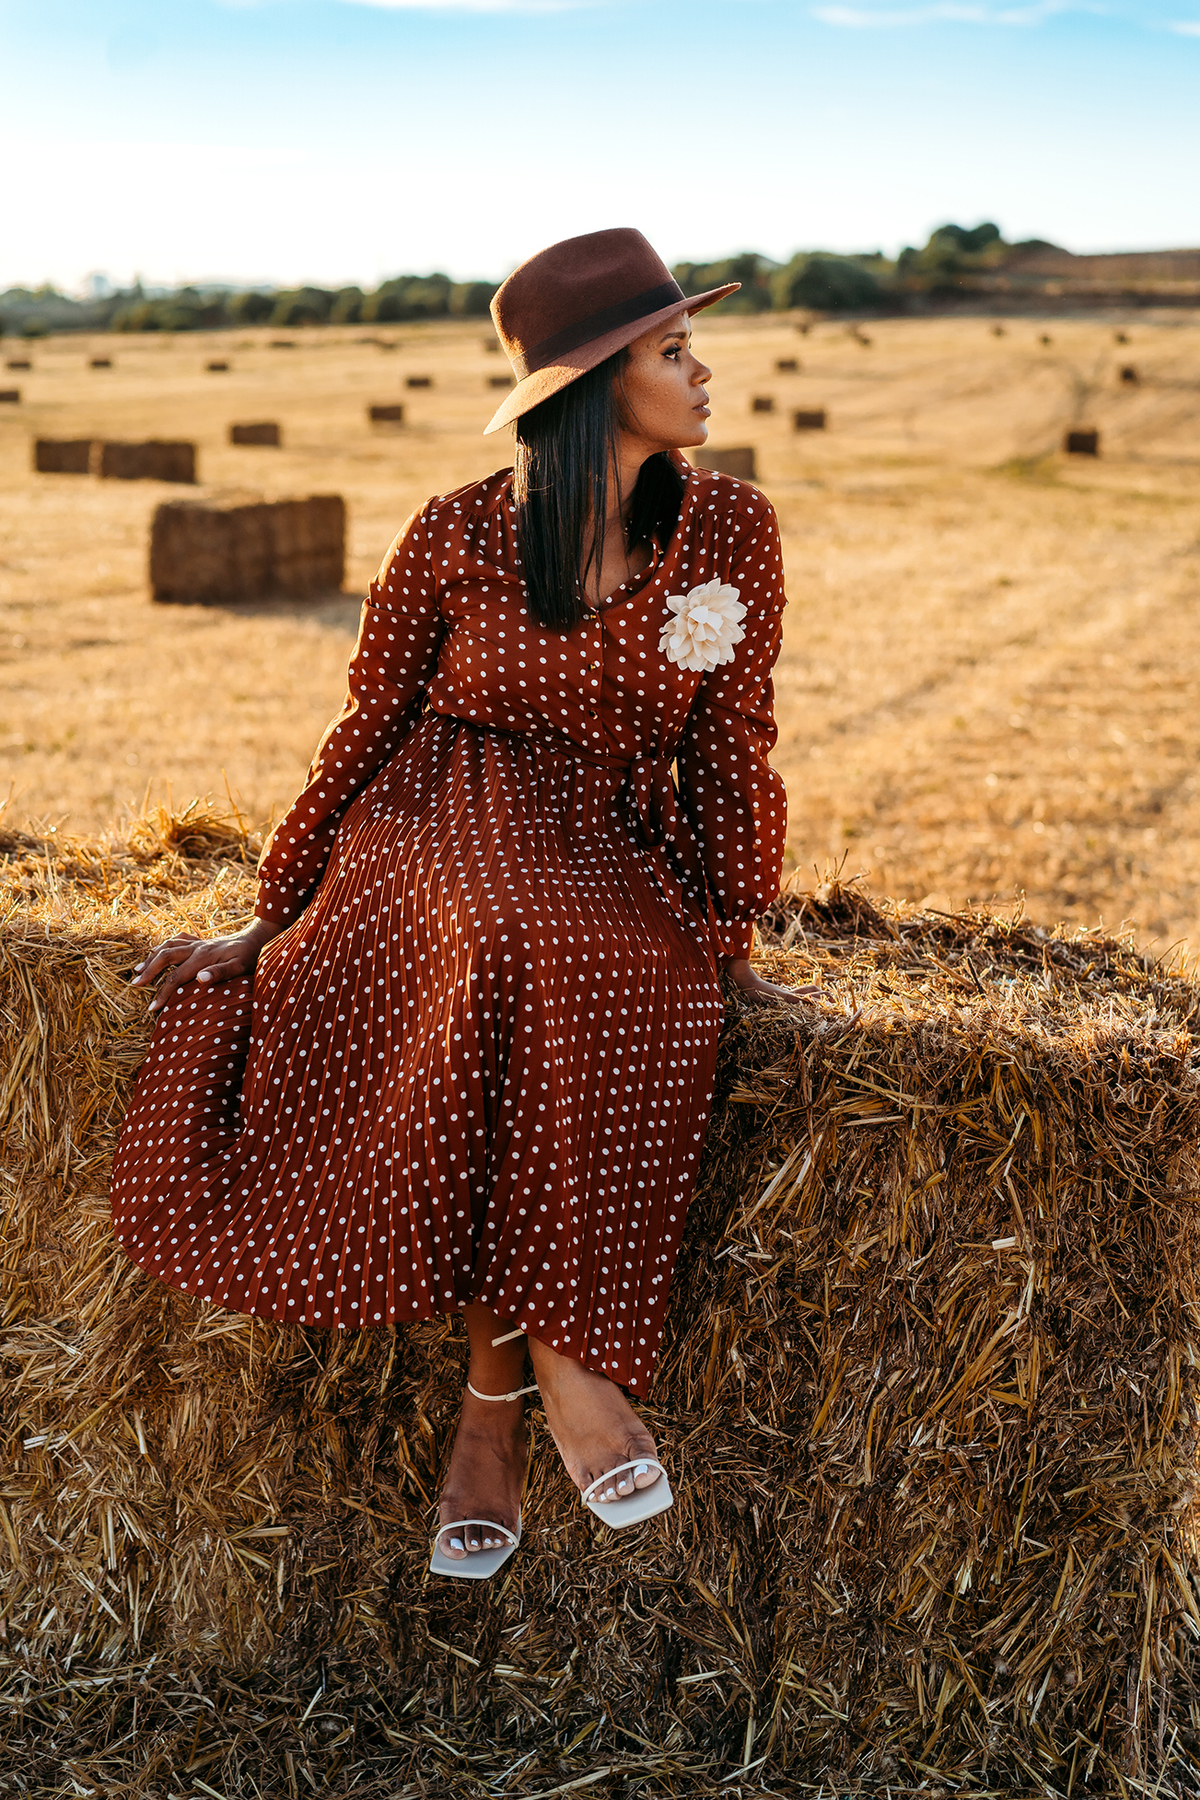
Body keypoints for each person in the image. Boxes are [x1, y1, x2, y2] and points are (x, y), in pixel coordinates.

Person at [111, 228, 805, 1579]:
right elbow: (369, 721)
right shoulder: (459, 531)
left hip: (606, 840)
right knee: (504, 929)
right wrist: (275, 910)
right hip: (436, 826)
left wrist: (727, 931)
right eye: (675, 352)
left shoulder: (732, 531)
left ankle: (495, 1409)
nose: (704, 372)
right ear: (600, 386)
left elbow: (735, 745)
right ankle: (562, 1370)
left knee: (594, 959)